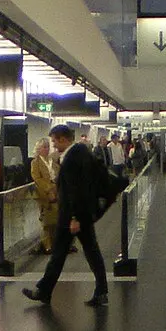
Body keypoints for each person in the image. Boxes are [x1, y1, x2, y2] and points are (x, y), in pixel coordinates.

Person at [22, 125, 109, 307]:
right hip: (77, 214)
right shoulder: (79, 153)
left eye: (54, 141)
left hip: (73, 215)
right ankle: (46, 290)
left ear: (63, 139)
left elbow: (76, 190)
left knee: (72, 253)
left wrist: (74, 218)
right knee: (70, 253)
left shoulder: (72, 158)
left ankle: (45, 291)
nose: (53, 145)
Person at [30, 137, 59, 252]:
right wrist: (49, 189)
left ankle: (56, 243)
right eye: (44, 147)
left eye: (48, 147)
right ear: (38, 149)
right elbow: (37, 178)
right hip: (44, 195)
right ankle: (47, 245)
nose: (47, 149)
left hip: (56, 192)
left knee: (56, 219)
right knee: (46, 222)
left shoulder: (52, 161)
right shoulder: (35, 162)